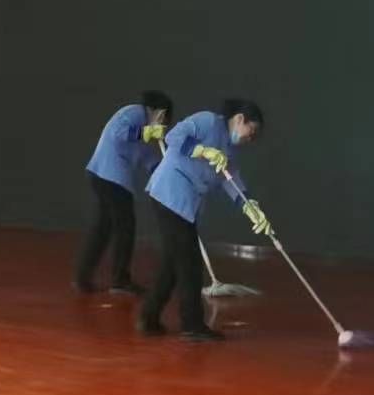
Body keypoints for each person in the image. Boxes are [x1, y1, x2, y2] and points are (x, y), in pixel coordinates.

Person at [139, 99, 271, 341]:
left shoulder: (230, 150)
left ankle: (148, 317)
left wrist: (249, 206)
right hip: (170, 192)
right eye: (251, 132)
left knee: (173, 263)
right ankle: (192, 326)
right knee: (189, 264)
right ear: (239, 119)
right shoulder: (208, 121)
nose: (250, 139)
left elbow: (231, 180)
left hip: (184, 203)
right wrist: (203, 150)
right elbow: (173, 137)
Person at [75, 91, 174, 295]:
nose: (163, 128)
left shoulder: (144, 132)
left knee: (103, 228)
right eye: (165, 122)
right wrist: (147, 132)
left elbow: (150, 161)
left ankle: (82, 277)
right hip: (110, 176)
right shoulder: (134, 112)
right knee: (125, 226)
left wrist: (168, 174)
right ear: (160, 113)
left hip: (103, 176)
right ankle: (119, 280)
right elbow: (118, 133)